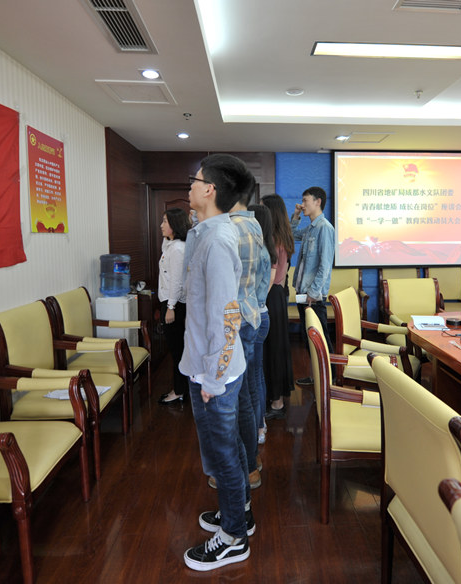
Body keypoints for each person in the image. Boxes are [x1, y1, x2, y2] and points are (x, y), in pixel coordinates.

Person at [180, 153, 253, 571]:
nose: (189, 187)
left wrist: (212, 378)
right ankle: (237, 512)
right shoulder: (205, 233)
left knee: (223, 455)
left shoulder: (218, 241)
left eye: (194, 181)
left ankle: (233, 538)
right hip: (207, 364)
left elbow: (226, 316)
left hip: (215, 372)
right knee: (228, 450)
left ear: (209, 190)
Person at [206, 186, 271, 491]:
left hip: (232, 321)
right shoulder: (254, 225)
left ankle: (240, 470)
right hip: (248, 316)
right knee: (244, 395)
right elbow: (257, 278)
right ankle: (251, 463)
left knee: (230, 401)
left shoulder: (229, 229)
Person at [291, 186, 335, 380]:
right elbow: (291, 234)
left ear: (318, 202)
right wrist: (296, 215)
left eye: (305, 200)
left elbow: (325, 266)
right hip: (303, 293)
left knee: (320, 338)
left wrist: (313, 292)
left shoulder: (325, 228)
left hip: (313, 296)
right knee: (308, 338)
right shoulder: (310, 228)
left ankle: (330, 379)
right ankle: (316, 378)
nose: (302, 204)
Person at [260, 194, 295, 419]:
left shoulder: (272, 239)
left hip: (270, 295)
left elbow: (270, 277)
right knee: (277, 348)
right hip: (278, 296)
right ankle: (277, 398)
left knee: (272, 350)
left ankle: (276, 402)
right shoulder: (284, 236)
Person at [157, 208, 191, 404]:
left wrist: (170, 307)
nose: (161, 225)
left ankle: (179, 391)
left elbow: (177, 281)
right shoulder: (172, 245)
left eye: (165, 221)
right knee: (177, 349)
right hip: (171, 303)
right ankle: (180, 388)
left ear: (175, 225)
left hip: (174, 305)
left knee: (177, 350)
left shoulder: (178, 249)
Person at [247, 203, 274, 443]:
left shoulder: (258, 253)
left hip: (254, 317)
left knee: (253, 377)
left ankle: (258, 427)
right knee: (257, 374)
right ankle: (260, 423)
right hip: (261, 314)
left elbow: (250, 291)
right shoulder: (265, 249)